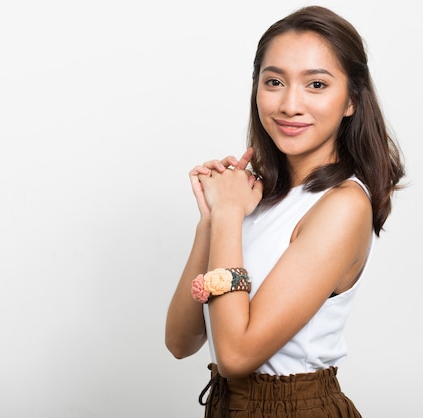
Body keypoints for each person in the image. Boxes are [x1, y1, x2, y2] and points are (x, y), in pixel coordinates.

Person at [165, 5, 405, 417]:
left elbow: (236, 356)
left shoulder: (343, 204)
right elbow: (181, 342)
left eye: (316, 84)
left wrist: (227, 217)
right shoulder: (257, 197)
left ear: (351, 100)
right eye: (274, 81)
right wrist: (212, 218)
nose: (290, 104)